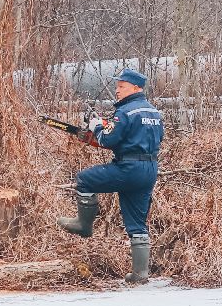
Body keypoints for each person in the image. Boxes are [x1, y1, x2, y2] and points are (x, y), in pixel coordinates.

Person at [57, 68, 163, 284]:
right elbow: (137, 138)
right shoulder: (153, 112)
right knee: (137, 223)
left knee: (85, 180)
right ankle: (140, 275)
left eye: (121, 86)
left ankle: (83, 226)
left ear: (135, 88)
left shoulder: (124, 112)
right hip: (149, 169)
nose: (117, 91)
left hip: (128, 168)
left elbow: (107, 140)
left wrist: (97, 127)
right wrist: (107, 129)